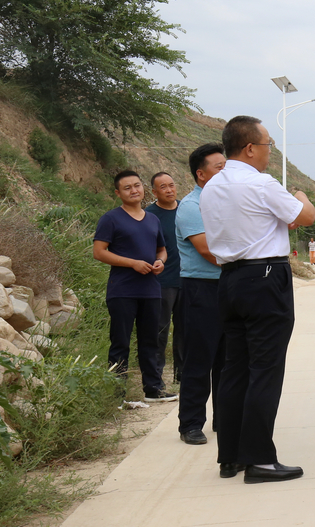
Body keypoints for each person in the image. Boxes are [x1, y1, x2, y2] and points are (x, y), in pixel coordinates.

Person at [200, 115, 315, 483]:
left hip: (230, 280)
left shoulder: (213, 187)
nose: (269, 152)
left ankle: (230, 457)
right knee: (265, 370)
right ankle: (260, 459)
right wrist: (301, 196)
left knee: (235, 370)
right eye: (268, 145)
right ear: (250, 148)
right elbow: (306, 216)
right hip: (265, 279)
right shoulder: (260, 183)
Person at [93, 170, 178, 403]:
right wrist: (132, 264)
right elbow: (99, 252)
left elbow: (162, 249)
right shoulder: (111, 218)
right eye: (127, 187)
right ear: (118, 193)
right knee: (120, 342)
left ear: (144, 189)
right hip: (122, 290)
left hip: (151, 289)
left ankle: (153, 390)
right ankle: (117, 396)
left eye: (137, 186)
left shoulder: (152, 219)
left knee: (150, 341)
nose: (134, 190)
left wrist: (161, 261)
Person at [176, 143, 227, 446]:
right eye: (219, 167)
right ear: (201, 174)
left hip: (228, 286)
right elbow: (208, 251)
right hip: (201, 288)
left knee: (228, 359)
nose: (225, 171)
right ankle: (191, 423)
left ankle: (224, 417)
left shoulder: (226, 203)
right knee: (199, 359)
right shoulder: (191, 207)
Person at [145, 172, 183, 385]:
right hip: (161, 282)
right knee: (159, 330)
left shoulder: (186, 209)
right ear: (154, 192)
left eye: (171, 185)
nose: (169, 190)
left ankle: (182, 375)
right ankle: (156, 377)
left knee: (185, 330)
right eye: (163, 187)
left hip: (187, 279)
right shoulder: (149, 215)